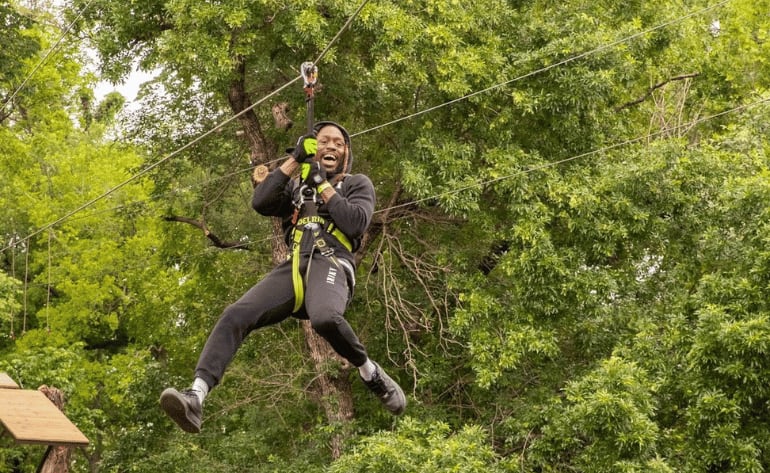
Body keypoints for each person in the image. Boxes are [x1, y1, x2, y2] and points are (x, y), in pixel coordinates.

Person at [159, 121, 406, 433]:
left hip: (330, 262)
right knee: (236, 315)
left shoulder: (357, 184)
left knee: (326, 320)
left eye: (338, 144)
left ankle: (370, 372)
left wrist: (323, 186)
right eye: (323, 142)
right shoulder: (296, 189)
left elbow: (355, 223)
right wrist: (296, 161)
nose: (330, 146)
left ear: (345, 154)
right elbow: (261, 202)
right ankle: (196, 396)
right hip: (293, 267)